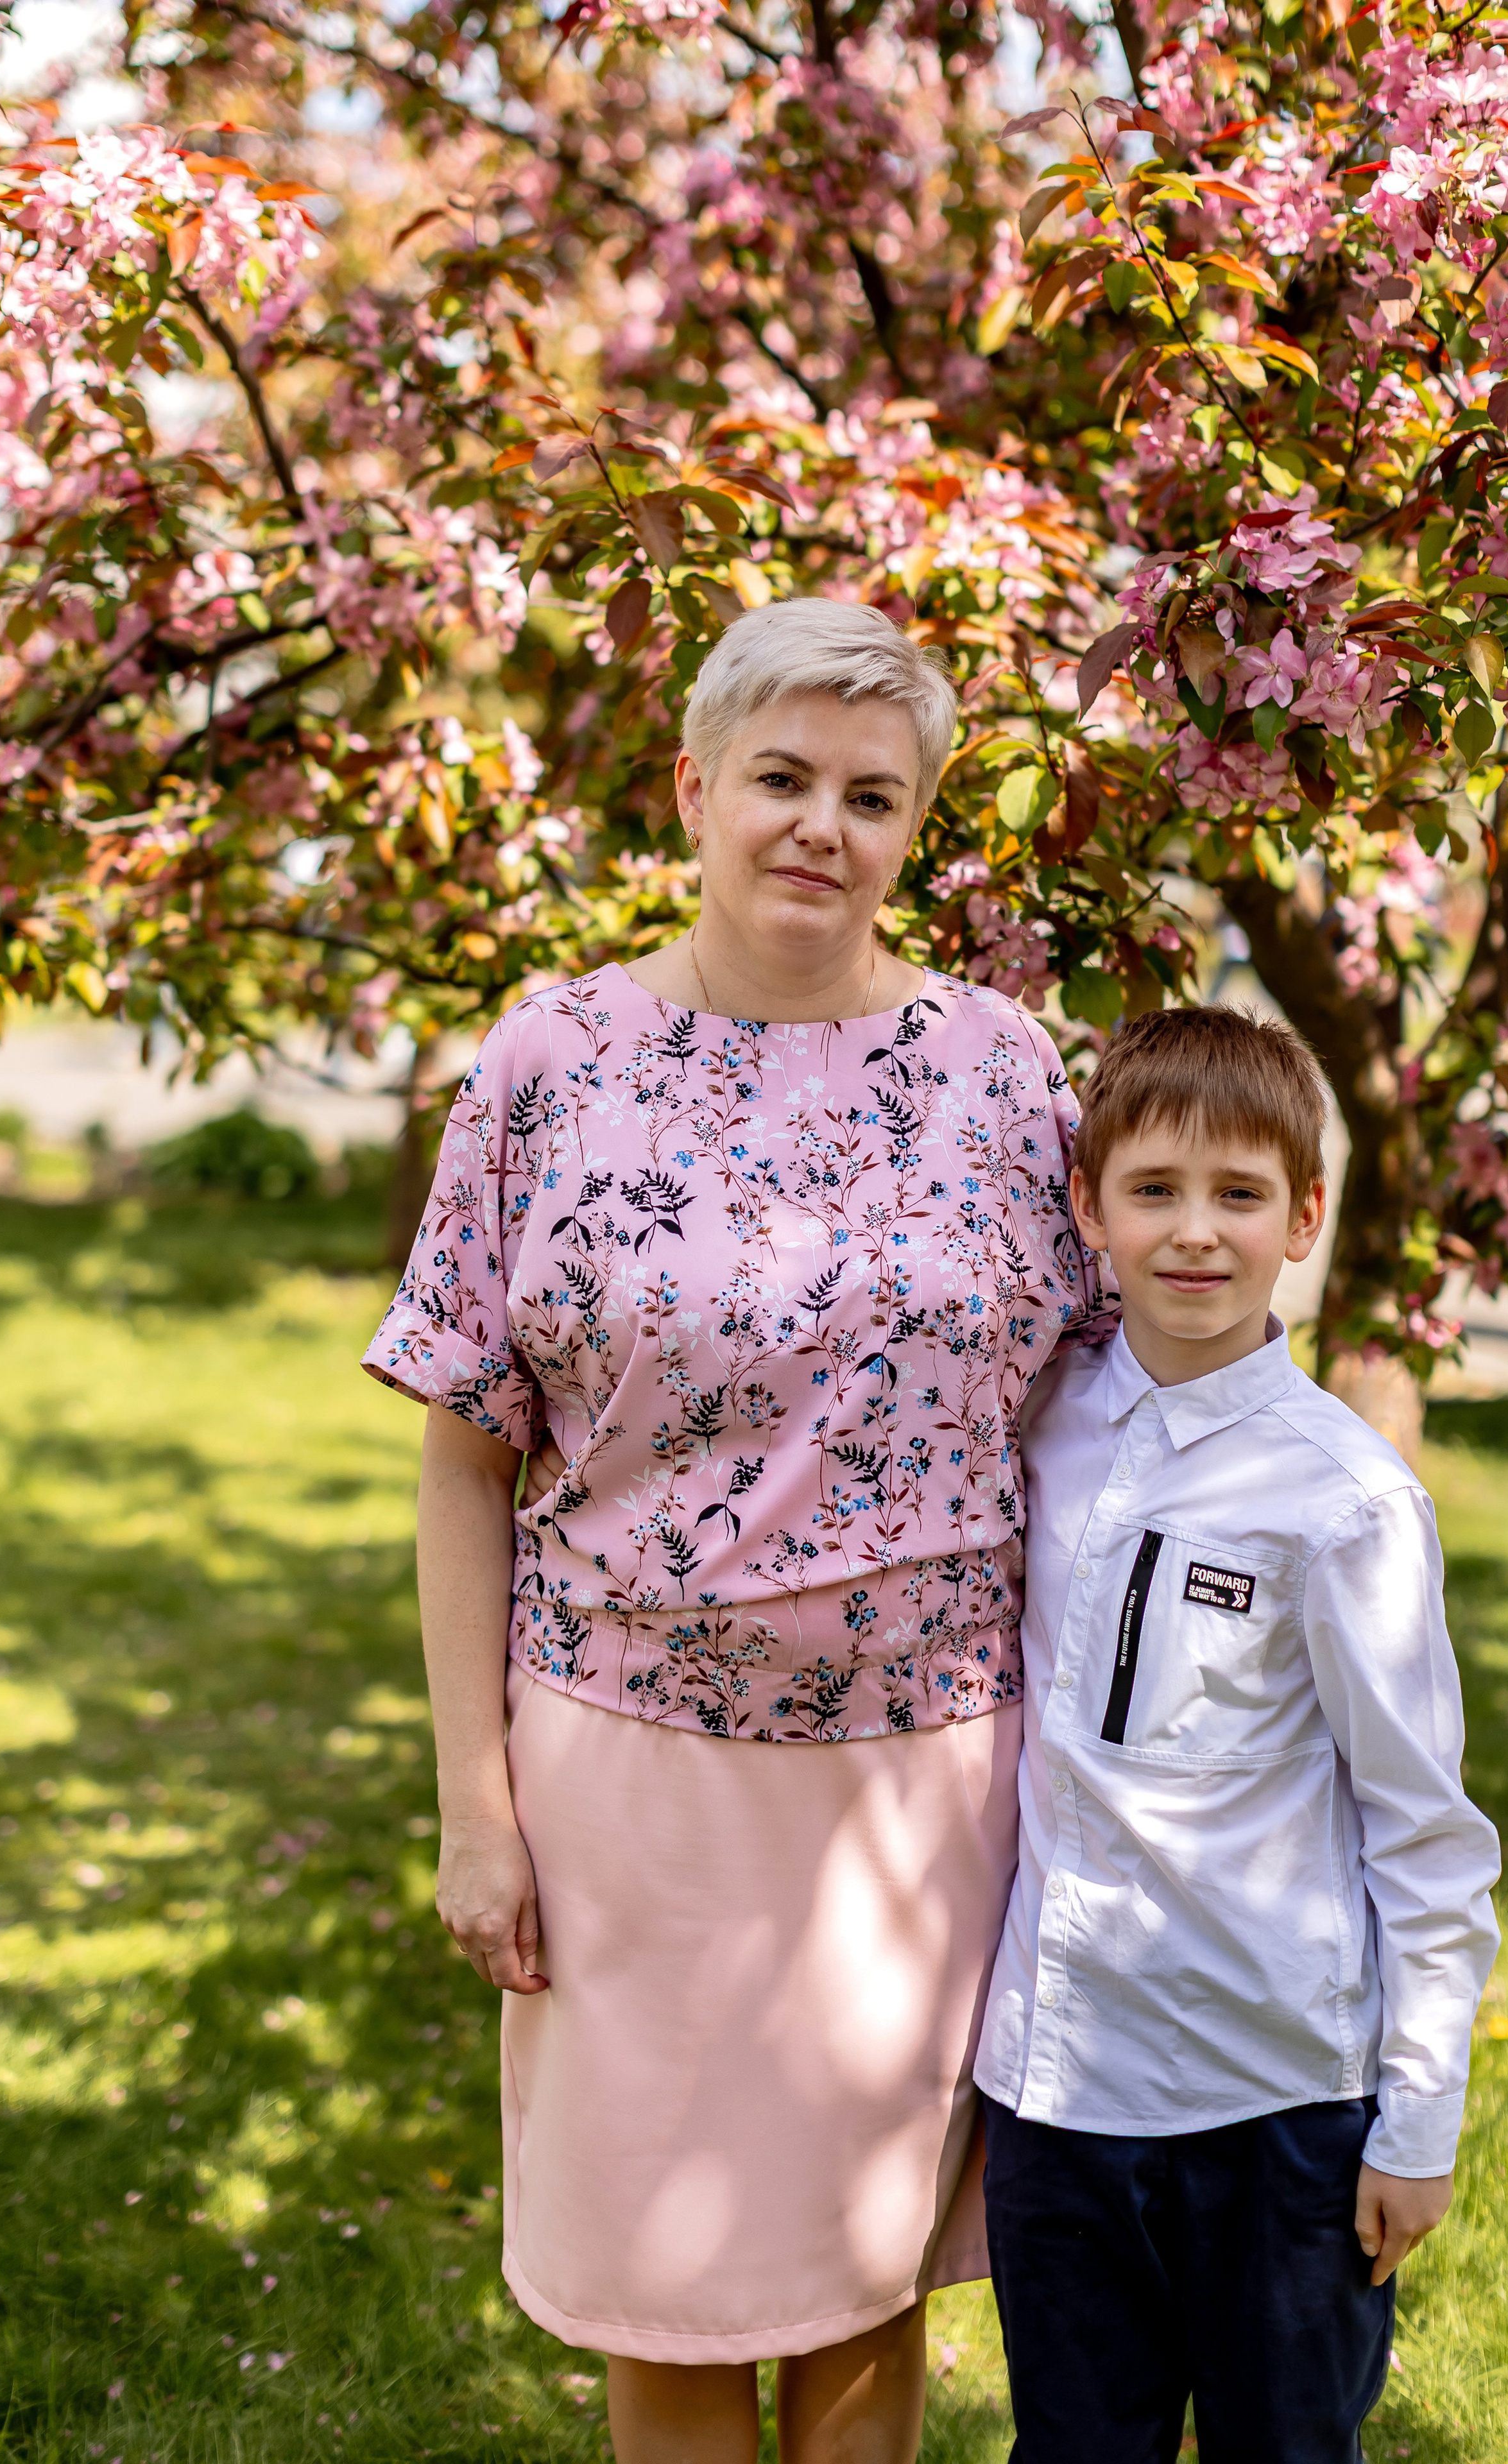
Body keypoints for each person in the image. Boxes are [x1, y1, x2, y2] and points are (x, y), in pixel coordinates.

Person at [361, 598, 1113, 2464]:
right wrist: (475, 1805)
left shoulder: (1002, 1069)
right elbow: (463, 1457)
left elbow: (1095, 1408)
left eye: (871, 796)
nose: (818, 829)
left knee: (864, 2276)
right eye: (781, 779)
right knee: (668, 2287)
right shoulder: (551, 1062)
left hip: (918, 1785)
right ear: (695, 790)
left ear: (914, 827)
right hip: (631, 1788)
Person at [975, 1004, 1502, 2464]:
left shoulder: (1344, 1501)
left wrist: (1417, 2124)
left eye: (1239, 1194)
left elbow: (1424, 1833)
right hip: (1059, 2091)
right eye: (1152, 1190)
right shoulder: (1037, 1417)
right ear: (1088, 1208)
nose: (1194, 1232)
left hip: (1274, 2110)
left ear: (1304, 1217)